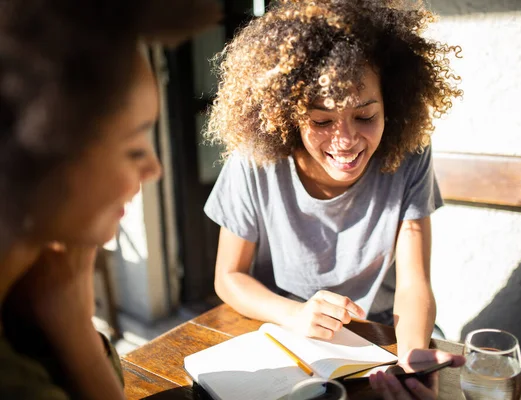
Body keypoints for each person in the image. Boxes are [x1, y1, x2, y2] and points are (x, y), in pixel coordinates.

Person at [204, 0, 464, 398]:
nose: (345, 142)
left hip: (384, 339)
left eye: (365, 116)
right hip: (288, 339)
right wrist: (296, 314)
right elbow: (228, 277)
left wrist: (411, 358)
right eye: (322, 121)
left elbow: (415, 284)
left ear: (391, 103)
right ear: (287, 116)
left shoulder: (409, 156)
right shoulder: (254, 164)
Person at [0, 0, 220, 398]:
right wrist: (74, 328)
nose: (155, 169)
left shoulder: (33, 279)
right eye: (135, 149)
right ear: (45, 156)